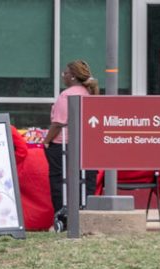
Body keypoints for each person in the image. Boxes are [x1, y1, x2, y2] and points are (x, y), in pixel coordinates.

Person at [43, 60, 99, 221]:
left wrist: (46, 141)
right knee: (86, 180)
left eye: (65, 73)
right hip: (84, 144)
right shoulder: (89, 93)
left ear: (73, 76)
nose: (63, 76)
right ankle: (85, 214)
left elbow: (58, 123)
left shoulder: (66, 95)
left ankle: (62, 217)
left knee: (59, 181)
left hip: (63, 145)